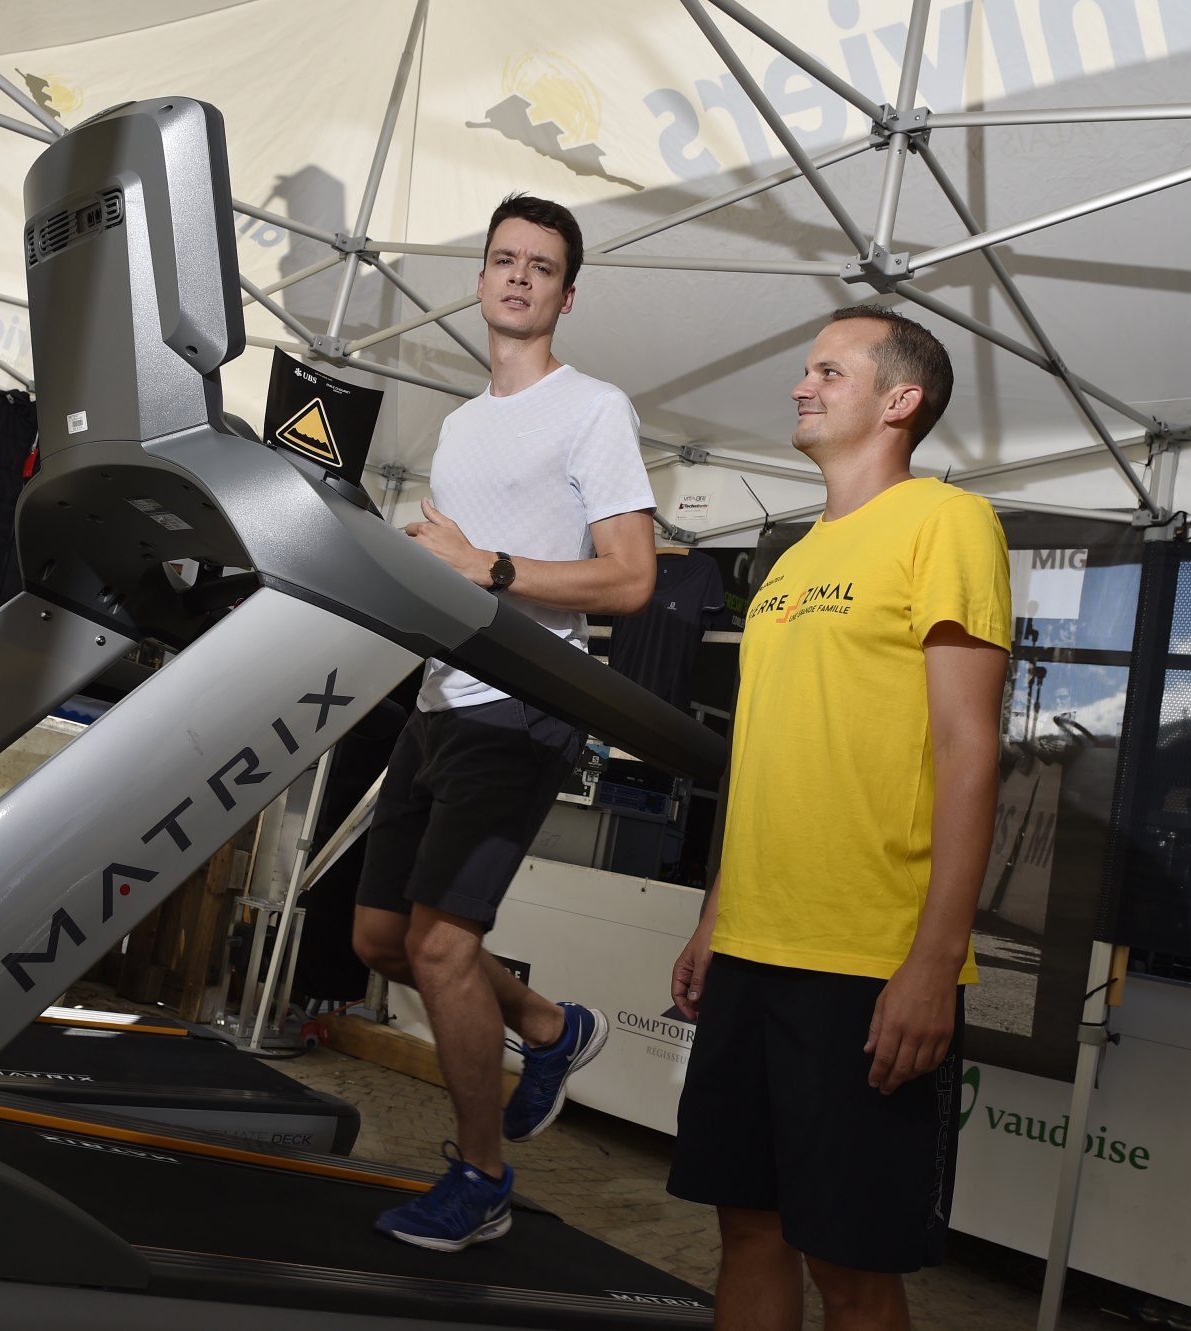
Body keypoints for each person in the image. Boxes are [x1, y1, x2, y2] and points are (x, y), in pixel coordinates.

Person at [666, 305, 1010, 1330]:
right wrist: (714, 913)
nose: (799, 385)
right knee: (747, 1228)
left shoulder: (946, 523)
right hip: (751, 945)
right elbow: (773, 755)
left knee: (850, 1268)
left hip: (863, 960)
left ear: (899, 399)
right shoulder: (786, 560)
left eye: (828, 370)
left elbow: (968, 749)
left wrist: (929, 962)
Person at [352, 194, 658, 1251]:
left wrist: (483, 565)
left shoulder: (593, 409)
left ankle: (480, 1176)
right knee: (379, 938)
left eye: (540, 265)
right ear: (478, 281)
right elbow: (453, 568)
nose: (517, 276)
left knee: (441, 945)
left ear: (564, 295)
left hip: (524, 707)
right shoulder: (457, 424)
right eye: (501, 259)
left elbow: (628, 579)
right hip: (436, 704)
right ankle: (548, 1023)